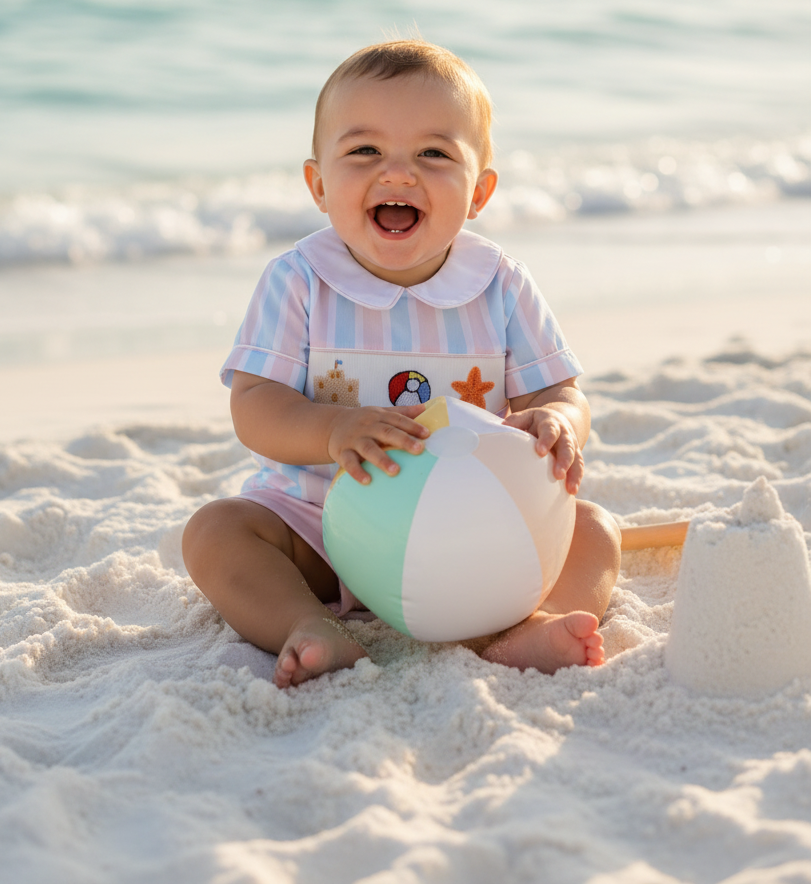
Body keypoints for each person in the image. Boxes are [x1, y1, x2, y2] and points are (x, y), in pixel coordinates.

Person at [183, 40, 621, 688]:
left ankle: (522, 627)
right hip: (318, 530)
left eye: (434, 154)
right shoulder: (298, 280)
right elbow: (254, 406)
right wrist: (333, 430)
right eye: (364, 152)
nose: (398, 174)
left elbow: (560, 391)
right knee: (215, 532)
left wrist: (557, 420)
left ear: (479, 192)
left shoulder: (500, 284)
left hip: (467, 535)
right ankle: (308, 625)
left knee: (594, 531)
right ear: (319, 184)